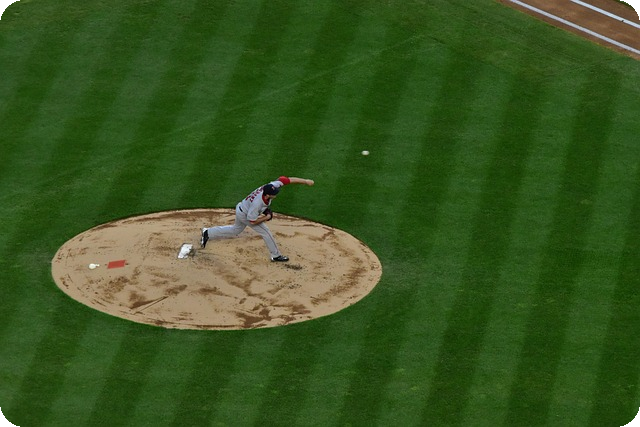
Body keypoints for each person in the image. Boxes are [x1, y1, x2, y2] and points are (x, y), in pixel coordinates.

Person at [200, 176, 314, 262]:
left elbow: (286, 180)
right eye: (274, 193)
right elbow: (252, 221)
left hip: (242, 207)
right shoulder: (257, 203)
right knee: (266, 232)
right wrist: (266, 217)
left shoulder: (269, 187)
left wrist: (305, 181)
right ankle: (276, 255)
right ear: (267, 195)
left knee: (236, 230)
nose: (276, 194)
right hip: (245, 214)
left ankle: (207, 232)